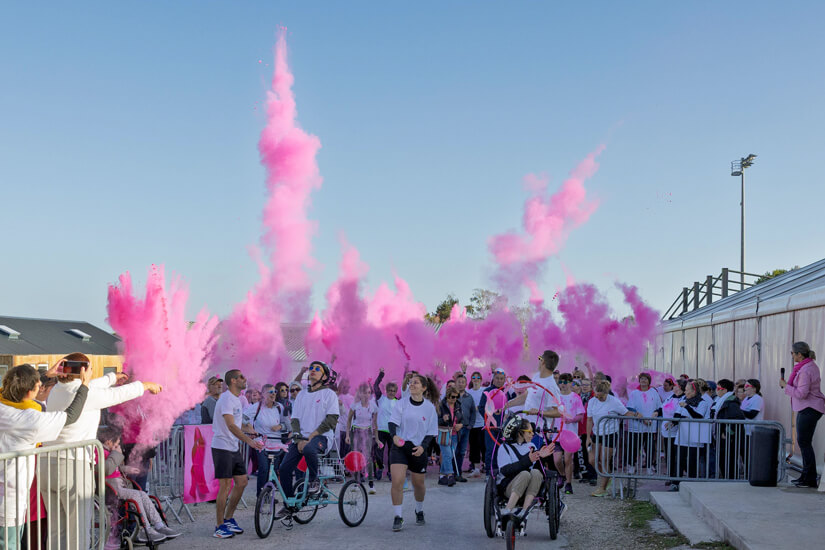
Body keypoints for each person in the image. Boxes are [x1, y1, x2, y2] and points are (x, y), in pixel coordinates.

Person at [44, 354, 162, 550]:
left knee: (57, 530)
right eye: (89, 369)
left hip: (49, 464)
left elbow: (91, 387)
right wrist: (145, 385)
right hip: (73, 467)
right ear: (83, 371)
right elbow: (116, 395)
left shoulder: (57, 389)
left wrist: (113, 378)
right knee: (79, 530)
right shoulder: (86, 394)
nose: (91, 373)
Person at [0, 363, 92, 550]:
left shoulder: (3, 405)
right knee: (9, 544)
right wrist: (84, 385)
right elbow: (71, 416)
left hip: (7, 493)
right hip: (9, 497)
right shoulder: (28, 420)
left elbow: (10, 388)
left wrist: (44, 376)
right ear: (32, 390)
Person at [97, 426, 180, 543]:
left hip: (117, 485)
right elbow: (106, 469)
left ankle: (159, 524)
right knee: (136, 495)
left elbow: (113, 467)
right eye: (116, 444)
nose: (118, 447)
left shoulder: (109, 452)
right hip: (110, 488)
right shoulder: (99, 452)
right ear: (108, 442)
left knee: (142, 494)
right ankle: (145, 528)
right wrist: (116, 454)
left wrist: (125, 468)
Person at [277, 361, 339, 517]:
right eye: (311, 368)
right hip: (302, 438)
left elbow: (331, 420)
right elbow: (295, 419)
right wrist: (298, 438)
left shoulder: (329, 394)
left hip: (322, 437)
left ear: (324, 376)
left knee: (310, 448)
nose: (312, 370)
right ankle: (290, 503)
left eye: (317, 369)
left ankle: (314, 481)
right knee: (284, 469)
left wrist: (311, 436)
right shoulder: (302, 394)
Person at [210, 369, 264, 539]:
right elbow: (230, 426)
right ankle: (219, 526)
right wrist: (249, 441)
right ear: (233, 381)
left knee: (242, 482)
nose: (244, 378)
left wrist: (250, 430)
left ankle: (228, 519)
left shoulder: (237, 400)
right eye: (241, 377)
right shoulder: (226, 398)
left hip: (233, 447)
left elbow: (238, 425)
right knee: (225, 486)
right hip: (222, 447)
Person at [388, 373, 439, 532]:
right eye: (410, 383)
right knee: (397, 481)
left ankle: (419, 510)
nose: (411, 385)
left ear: (424, 388)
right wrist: (394, 436)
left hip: (419, 449)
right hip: (401, 447)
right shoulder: (401, 403)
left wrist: (423, 447)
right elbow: (392, 422)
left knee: (419, 484)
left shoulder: (429, 408)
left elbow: (431, 431)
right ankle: (398, 516)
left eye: (416, 383)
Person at [780, 342, 825, 488]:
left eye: (792, 353)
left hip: (809, 407)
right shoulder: (808, 366)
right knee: (804, 442)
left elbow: (801, 393)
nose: (792, 356)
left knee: (804, 443)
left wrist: (785, 386)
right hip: (810, 407)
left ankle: (809, 478)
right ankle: (806, 476)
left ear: (800, 354)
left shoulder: (805, 370)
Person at [496, 416, 555, 522]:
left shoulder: (531, 446)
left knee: (536, 472)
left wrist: (542, 457)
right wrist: (527, 460)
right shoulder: (504, 448)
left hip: (529, 489)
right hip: (510, 488)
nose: (533, 434)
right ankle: (508, 510)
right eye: (529, 432)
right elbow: (505, 471)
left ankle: (524, 512)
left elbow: (539, 471)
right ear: (520, 434)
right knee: (525, 474)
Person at [586, 380, 638, 497]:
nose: (598, 397)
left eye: (601, 396)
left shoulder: (614, 401)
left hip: (610, 433)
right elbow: (589, 419)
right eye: (596, 394)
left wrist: (637, 415)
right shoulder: (592, 401)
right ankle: (607, 475)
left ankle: (602, 487)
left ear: (606, 393)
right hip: (597, 433)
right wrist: (588, 437)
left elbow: (625, 413)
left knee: (604, 459)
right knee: (592, 459)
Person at [670, 380, 711, 489]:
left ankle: (691, 484)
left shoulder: (702, 403)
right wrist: (674, 422)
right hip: (682, 435)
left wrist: (687, 407)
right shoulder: (684, 399)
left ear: (694, 391)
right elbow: (677, 414)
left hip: (695, 436)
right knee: (679, 460)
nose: (685, 392)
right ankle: (676, 483)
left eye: (687, 390)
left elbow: (698, 417)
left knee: (692, 461)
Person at [246, 384, 286, 496]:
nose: (273, 394)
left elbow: (287, 424)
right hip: (261, 443)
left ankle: (270, 495)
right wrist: (250, 429)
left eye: (274, 392)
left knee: (274, 470)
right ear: (263, 395)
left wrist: (280, 427)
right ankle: (261, 495)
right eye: (270, 392)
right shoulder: (256, 407)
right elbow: (243, 418)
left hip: (276, 443)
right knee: (263, 469)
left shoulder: (279, 407)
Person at [479, 368, 515, 474]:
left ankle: (500, 471)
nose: (499, 381)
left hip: (504, 427)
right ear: (493, 379)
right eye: (497, 378)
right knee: (490, 449)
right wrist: (491, 415)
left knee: (502, 450)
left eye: (501, 379)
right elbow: (481, 408)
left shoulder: (507, 392)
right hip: (491, 426)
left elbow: (510, 408)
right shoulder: (487, 391)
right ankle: (489, 472)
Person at [625, 373, 662, 476]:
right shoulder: (634, 393)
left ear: (649, 381)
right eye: (642, 379)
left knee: (650, 448)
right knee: (634, 447)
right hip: (636, 426)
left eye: (646, 379)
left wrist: (655, 413)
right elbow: (630, 408)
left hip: (650, 426)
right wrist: (642, 419)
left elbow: (659, 407)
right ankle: (632, 466)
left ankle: (650, 467)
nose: (643, 381)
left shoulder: (654, 392)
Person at [554, 373, 585, 494]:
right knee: (557, 460)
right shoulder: (555, 397)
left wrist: (571, 419)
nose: (562, 385)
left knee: (568, 460)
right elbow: (551, 414)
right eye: (561, 382)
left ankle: (568, 483)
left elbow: (580, 415)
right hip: (557, 433)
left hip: (570, 435)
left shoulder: (575, 397)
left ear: (570, 383)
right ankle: (562, 474)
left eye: (565, 382)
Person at [346, 382, 379, 494]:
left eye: (369, 392)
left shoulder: (373, 406)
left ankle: (371, 483)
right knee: (355, 456)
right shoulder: (355, 405)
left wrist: (377, 438)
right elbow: (349, 420)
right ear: (360, 393)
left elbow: (375, 423)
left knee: (368, 457)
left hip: (367, 432)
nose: (367, 395)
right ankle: (356, 482)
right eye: (364, 392)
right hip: (355, 431)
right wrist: (347, 435)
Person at [711, 379, 744, 479]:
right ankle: (727, 479)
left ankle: (731, 480)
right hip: (721, 437)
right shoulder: (720, 401)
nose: (716, 391)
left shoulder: (731, 402)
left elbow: (738, 418)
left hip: (728, 439)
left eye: (718, 388)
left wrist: (728, 432)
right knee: (723, 461)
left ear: (725, 390)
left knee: (728, 461)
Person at [373, 368, 398, 481]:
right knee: (379, 452)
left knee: (392, 453)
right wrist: (381, 375)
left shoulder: (398, 402)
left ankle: (390, 472)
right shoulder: (381, 398)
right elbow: (375, 386)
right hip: (381, 430)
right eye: (390, 390)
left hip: (392, 431)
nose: (392, 392)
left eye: (393, 390)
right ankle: (380, 468)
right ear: (386, 391)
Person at [436, 387, 464, 486]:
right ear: (447, 396)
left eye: (456, 397)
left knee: (450, 456)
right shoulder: (440, 406)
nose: (454, 399)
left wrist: (460, 425)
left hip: (455, 434)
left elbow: (462, 419)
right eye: (452, 397)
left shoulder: (458, 406)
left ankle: (442, 477)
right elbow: (434, 421)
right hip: (444, 433)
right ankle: (450, 475)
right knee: (447, 455)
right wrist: (443, 419)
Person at [453, 373, 476, 481]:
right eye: (459, 382)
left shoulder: (469, 397)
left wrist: (471, 425)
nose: (461, 384)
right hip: (454, 429)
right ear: (455, 383)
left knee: (462, 452)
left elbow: (473, 412)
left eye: (463, 382)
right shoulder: (451, 395)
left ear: (466, 384)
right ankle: (451, 473)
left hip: (465, 428)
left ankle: (458, 473)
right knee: (453, 451)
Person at [466, 371, 486, 475]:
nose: (476, 379)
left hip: (483, 423)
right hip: (472, 424)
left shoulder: (484, 390)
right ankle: (476, 468)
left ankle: (486, 466)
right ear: (471, 379)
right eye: (474, 377)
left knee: (484, 446)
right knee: (474, 447)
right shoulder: (468, 392)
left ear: (481, 379)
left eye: (478, 377)